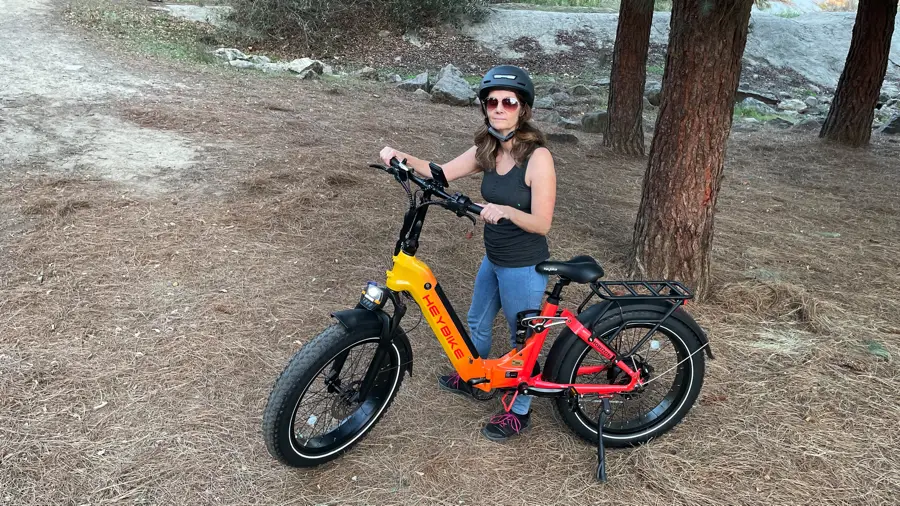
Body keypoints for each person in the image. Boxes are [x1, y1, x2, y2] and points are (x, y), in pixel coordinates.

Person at [379, 65, 556, 442]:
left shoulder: (537, 158)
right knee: (476, 322)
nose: (499, 108)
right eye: (491, 101)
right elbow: (440, 173)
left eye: (509, 102)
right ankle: (475, 376)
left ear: (522, 108)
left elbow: (542, 223)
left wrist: (507, 211)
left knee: (520, 338)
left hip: (523, 265)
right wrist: (401, 156)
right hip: (494, 257)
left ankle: (518, 410)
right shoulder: (488, 148)